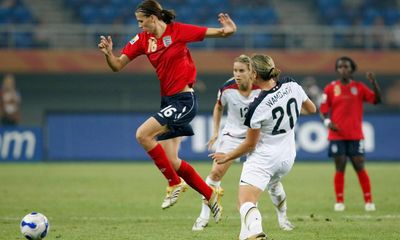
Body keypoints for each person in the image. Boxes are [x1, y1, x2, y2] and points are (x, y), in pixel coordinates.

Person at [97, 0, 236, 222]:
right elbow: (117, 65)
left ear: (153, 17)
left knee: (142, 134)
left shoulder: (178, 31)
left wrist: (229, 29)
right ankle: (210, 196)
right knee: (172, 161)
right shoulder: (142, 40)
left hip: (184, 101)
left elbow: (220, 33)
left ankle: (174, 183)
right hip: (168, 102)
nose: (140, 26)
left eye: (142, 21)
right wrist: (108, 54)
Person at [211, 54, 316, 240]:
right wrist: (285, 113)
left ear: (254, 75)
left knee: (245, 202)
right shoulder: (292, 85)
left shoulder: (257, 106)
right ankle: (246, 235)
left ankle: (257, 232)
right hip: (287, 156)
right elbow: (311, 109)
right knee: (273, 185)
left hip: (264, 158)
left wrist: (227, 156)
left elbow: (250, 145)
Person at [192, 55, 261, 231]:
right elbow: (218, 107)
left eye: (241, 71)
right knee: (215, 173)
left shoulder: (262, 88)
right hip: (232, 135)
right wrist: (215, 132)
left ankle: (282, 218)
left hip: (256, 137)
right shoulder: (227, 88)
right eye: (235, 70)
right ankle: (204, 216)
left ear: (251, 72)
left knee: (267, 180)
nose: (237, 74)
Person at [319, 56, 381, 212]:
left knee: (359, 166)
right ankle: (339, 201)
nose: (343, 69)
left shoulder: (359, 87)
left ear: (352, 69)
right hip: (337, 135)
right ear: (337, 70)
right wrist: (328, 122)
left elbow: (376, 100)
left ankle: (369, 201)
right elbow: (323, 109)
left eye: (346, 67)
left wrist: (374, 83)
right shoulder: (330, 88)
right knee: (340, 167)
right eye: (340, 67)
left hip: (355, 135)